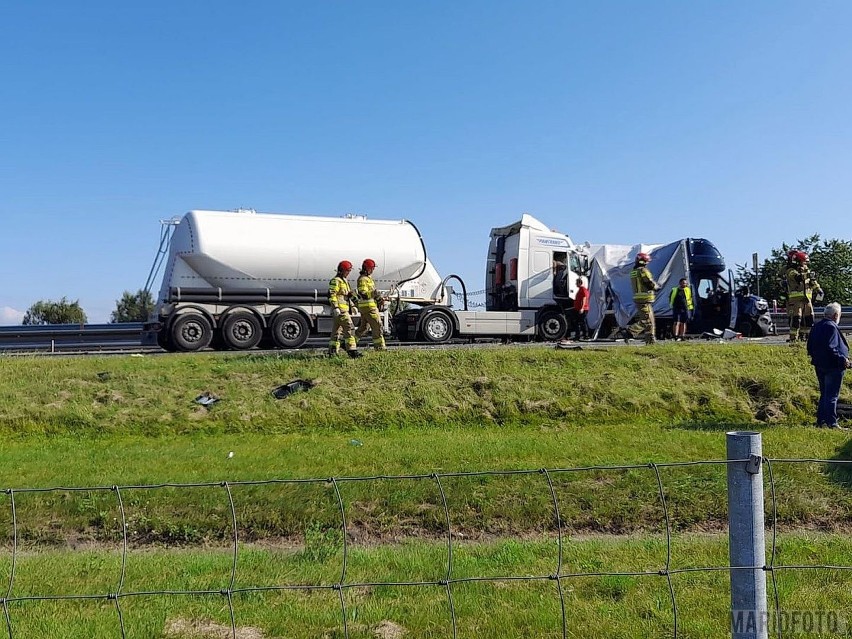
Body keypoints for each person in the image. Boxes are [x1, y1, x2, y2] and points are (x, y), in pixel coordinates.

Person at [806, 302, 851, 428]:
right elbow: (831, 348)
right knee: (832, 396)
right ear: (836, 315)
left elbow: (810, 347)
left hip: (820, 365)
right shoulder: (831, 327)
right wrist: (843, 359)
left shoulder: (816, 326)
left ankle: (821, 421)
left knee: (824, 394)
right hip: (833, 366)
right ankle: (832, 423)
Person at [786, 250, 823, 343]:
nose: (805, 263)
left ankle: (806, 337)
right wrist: (808, 274)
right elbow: (798, 278)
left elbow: (812, 281)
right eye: (803, 261)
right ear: (798, 261)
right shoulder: (791, 271)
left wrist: (818, 289)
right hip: (796, 301)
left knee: (809, 319)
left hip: (807, 300)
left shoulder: (806, 270)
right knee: (796, 319)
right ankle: (793, 338)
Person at [327, 260, 361, 358]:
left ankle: (332, 352)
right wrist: (335, 307)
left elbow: (347, 295)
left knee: (337, 332)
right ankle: (352, 351)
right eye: (347, 271)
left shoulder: (344, 281)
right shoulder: (336, 281)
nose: (349, 273)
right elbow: (332, 294)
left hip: (343, 309)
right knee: (350, 328)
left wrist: (353, 305)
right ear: (342, 270)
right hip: (340, 311)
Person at [626, 252, 660, 344]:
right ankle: (630, 331)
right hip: (645, 299)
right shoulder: (643, 271)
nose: (647, 263)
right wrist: (656, 287)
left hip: (639, 299)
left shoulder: (634, 271)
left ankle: (650, 341)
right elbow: (649, 282)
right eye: (647, 261)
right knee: (647, 320)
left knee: (651, 321)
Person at [354, 258, 387, 351]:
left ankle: (349, 343)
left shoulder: (368, 279)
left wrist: (379, 299)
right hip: (369, 307)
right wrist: (374, 294)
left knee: (364, 328)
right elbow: (363, 294)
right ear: (368, 268)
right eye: (372, 268)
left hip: (366, 307)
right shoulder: (363, 280)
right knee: (377, 325)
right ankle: (380, 347)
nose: (373, 270)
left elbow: (373, 294)